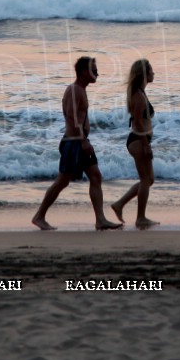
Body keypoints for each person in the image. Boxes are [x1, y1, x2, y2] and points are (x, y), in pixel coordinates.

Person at [32, 56, 122, 231]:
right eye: (93, 70)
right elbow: (72, 117)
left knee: (96, 177)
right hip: (74, 142)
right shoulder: (74, 90)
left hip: (79, 141)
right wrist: (83, 140)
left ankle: (100, 220)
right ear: (82, 71)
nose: (97, 73)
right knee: (62, 181)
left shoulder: (81, 89)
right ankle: (39, 216)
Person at [110, 59, 158, 229]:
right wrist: (146, 144)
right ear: (144, 73)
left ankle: (120, 204)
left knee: (149, 179)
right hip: (138, 140)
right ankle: (141, 218)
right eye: (151, 70)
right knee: (145, 180)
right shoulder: (138, 95)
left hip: (140, 139)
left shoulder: (140, 92)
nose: (154, 73)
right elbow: (137, 122)